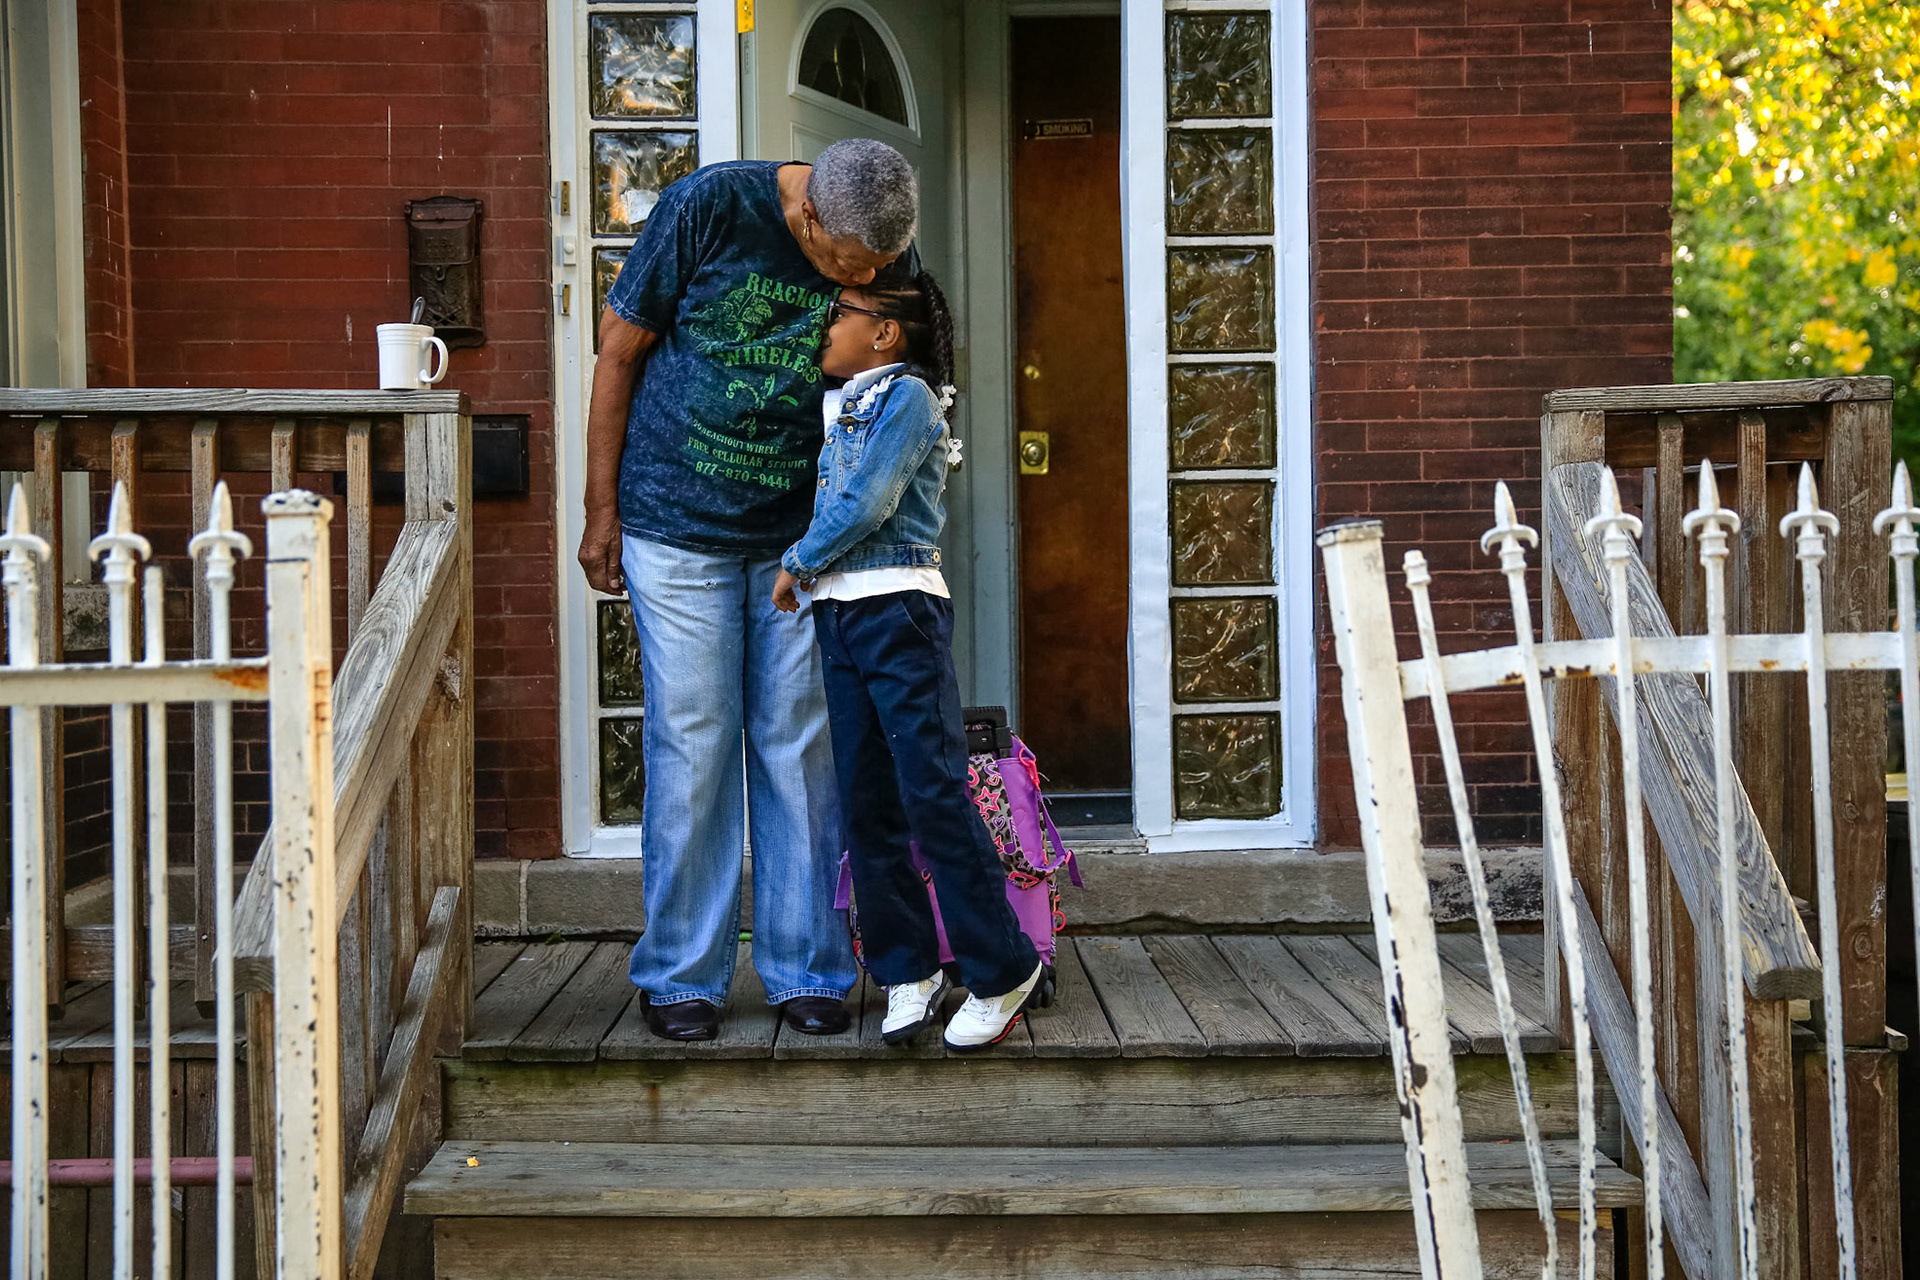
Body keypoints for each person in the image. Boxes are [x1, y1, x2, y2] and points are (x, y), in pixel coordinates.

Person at [580, 140, 920, 1042]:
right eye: (856, 266)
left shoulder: (879, 238)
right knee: (692, 742)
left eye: (885, 263)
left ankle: (807, 964)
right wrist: (599, 511)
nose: (875, 275)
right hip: (674, 524)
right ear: (810, 219)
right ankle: (681, 974)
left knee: (799, 747)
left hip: (801, 546)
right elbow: (616, 356)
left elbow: (906, 388)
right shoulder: (705, 209)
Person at [773, 272, 1044, 1051]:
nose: (824, 327)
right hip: (842, 614)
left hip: (898, 609)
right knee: (866, 799)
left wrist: (799, 560)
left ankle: (1002, 966)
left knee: (932, 790)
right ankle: (907, 970)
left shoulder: (908, 400)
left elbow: (866, 504)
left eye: (840, 315)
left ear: (887, 333)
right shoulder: (843, 400)